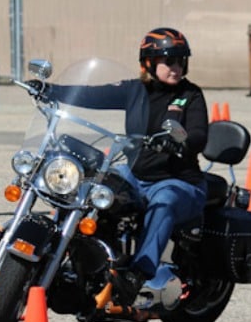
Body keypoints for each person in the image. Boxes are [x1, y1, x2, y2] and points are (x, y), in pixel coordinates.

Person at [29, 27, 208, 306]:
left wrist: (181, 142)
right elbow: (89, 94)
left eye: (180, 61)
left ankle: (138, 274)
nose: (176, 67)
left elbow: (199, 134)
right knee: (93, 187)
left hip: (180, 181)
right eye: (168, 61)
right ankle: (78, 255)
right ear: (149, 63)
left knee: (164, 202)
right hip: (136, 175)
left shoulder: (191, 94)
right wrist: (50, 90)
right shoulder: (135, 90)